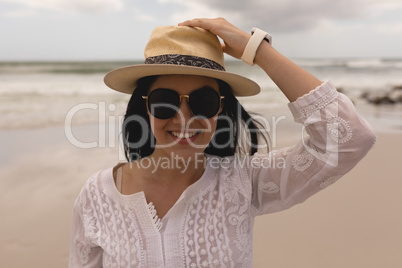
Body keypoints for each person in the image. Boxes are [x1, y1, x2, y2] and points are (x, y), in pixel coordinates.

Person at [69, 18, 376, 267]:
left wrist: (258, 49)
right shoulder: (97, 196)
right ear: (144, 107)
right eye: (165, 101)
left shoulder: (245, 182)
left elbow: (350, 138)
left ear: (221, 110)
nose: (184, 118)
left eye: (204, 100)